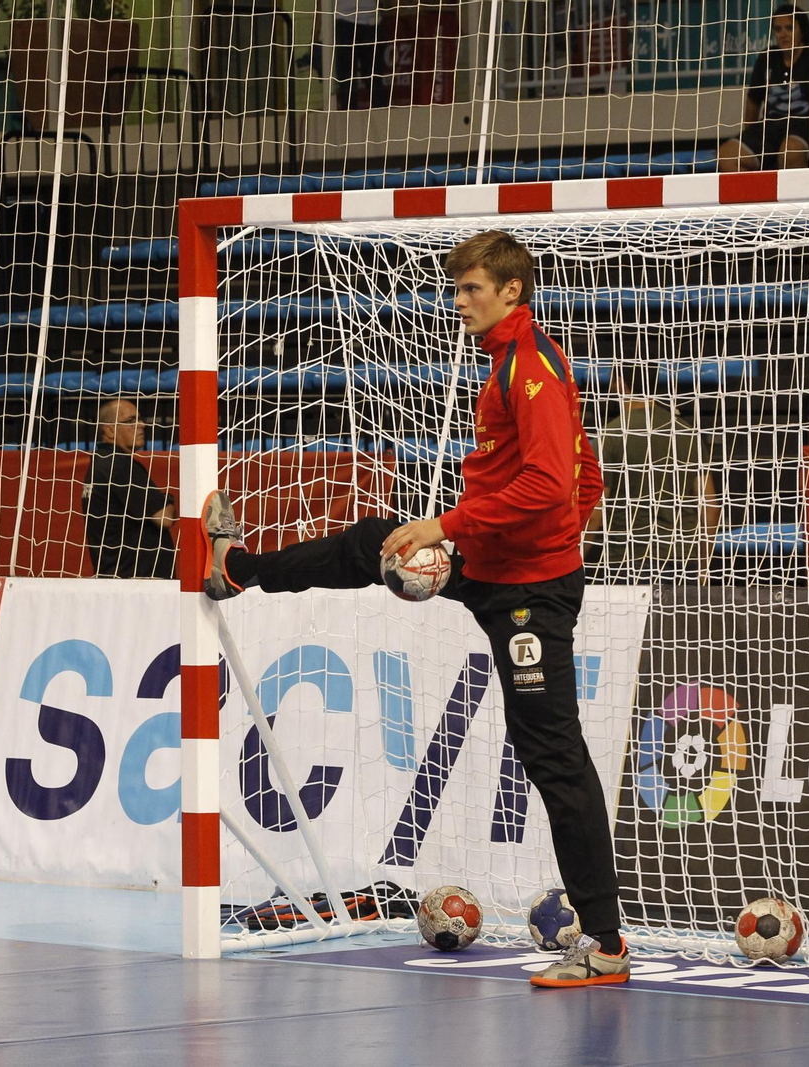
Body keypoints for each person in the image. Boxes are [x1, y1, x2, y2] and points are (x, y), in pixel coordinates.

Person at [200, 230, 630, 988]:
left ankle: (605, 944)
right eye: (455, 288)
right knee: (374, 544)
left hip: (528, 593)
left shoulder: (530, 369)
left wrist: (451, 527)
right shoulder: (519, 359)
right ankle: (239, 569)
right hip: (498, 566)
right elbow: (585, 475)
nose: (457, 301)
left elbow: (551, 482)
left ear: (511, 291)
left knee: (555, 758)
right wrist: (509, 538)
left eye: (471, 289)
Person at [584, 363, 719, 582]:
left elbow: (595, 512)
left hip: (629, 560)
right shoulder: (686, 432)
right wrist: (702, 567)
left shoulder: (609, 436)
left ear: (620, 383)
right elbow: (710, 508)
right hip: (684, 559)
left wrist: (577, 560)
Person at [718, 5, 809, 172]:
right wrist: (751, 136)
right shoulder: (767, 58)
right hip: (773, 126)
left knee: (790, 152)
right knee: (727, 156)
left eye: (789, 28)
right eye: (778, 29)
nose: (783, 34)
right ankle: (760, 190)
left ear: (802, 30)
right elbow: (753, 101)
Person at [81, 399, 177, 579]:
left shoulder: (99, 463)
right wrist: (169, 500)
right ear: (109, 430)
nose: (141, 425)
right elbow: (164, 518)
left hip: (115, 578)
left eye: (140, 419)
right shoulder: (120, 465)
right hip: (139, 581)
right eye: (131, 421)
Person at [329, 0, 385, 110]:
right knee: (349, 78)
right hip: (347, 20)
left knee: (372, 77)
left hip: (368, 20)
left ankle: (380, 115)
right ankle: (349, 115)